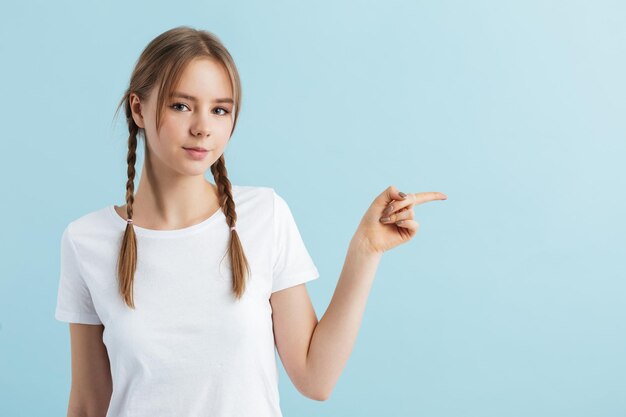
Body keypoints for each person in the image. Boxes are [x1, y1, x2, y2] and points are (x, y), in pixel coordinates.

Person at [54, 25, 448, 417]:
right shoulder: (87, 240)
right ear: (138, 108)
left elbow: (315, 378)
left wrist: (365, 250)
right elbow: (89, 405)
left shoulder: (264, 215)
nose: (203, 127)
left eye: (219, 109)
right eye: (181, 105)